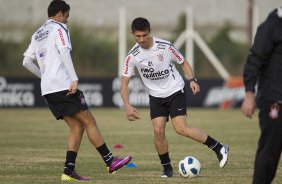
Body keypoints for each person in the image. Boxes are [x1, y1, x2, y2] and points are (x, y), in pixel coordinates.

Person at [22, 0, 132, 181]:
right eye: (66, 15)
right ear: (59, 13)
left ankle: (68, 171)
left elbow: (26, 62)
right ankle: (110, 161)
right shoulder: (59, 28)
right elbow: (64, 51)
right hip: (63, 85)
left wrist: (45, 76)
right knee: (89, 121)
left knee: (77, 126)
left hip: (48, 89)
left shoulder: (37, 33)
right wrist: (73, 78)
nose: (67, 19)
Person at [120, 17, 229, 178]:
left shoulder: (165, 47)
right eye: (138, 36)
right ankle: (167, 169)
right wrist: (127, 105)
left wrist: (192, 79)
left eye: (144, 35)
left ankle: (219, 147)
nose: (141, 39)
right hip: (156, 96)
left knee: (180, 128)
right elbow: (124, 83)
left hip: (175, 90)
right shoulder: (132, 56)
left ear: (150, 32)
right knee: (158, 131)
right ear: (132, 34)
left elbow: (183, 62)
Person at [241, 7, 282, 184]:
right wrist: (250, 95)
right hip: (275, 100)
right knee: (269, 155)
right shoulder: (272, 26)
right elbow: (254, 61)